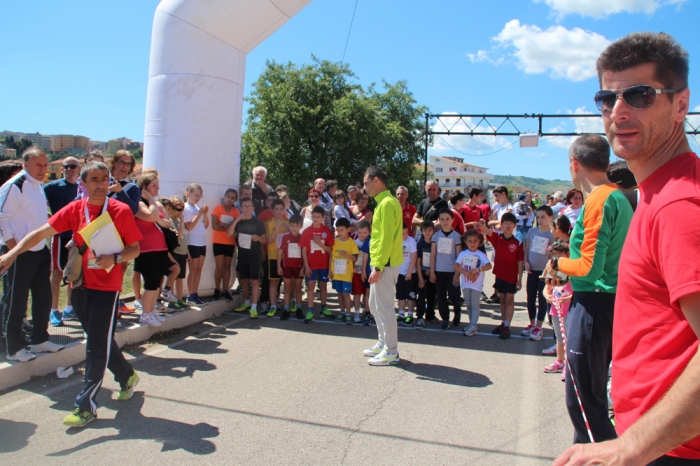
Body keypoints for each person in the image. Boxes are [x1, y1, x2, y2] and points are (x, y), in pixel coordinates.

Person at [555, 32, 700, 465]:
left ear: (679, 104)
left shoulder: (679, 203)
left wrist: (630, 448)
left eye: (639, 95)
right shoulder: (654, 191)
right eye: (606, 98)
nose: (618, 111)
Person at [0, 161, 142, 426]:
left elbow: (134, 248)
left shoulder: (119, 210)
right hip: (78, 285)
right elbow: (40, 232)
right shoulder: (75, 209)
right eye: (94, 180)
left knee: (96, 345)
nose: (100, 185)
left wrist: (116, 257)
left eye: (104, 179)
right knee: (99, 339)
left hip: (107, 289)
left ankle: (86, 405)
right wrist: (11, 253)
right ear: (84, 184)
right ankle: (126, 375)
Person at [542, 134, 632, 446]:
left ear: (574, 163)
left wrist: (558, 264)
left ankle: (605, 455)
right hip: (606, 302)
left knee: (582, 402)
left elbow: (588, 267)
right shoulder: (616, 195)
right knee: (590, 397)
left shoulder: (598, 200)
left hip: (593, 304)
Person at [0, 147, 62, 362]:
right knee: (16, 300)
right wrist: (13, 250)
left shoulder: (38, 186)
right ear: (25, 164)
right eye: (38, 165)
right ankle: (14, 348)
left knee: (43, 297)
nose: (43, 169)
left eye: (45, 165)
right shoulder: (15, 185)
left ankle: (39, 340)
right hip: (19, 252)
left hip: (39, 250)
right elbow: (2, 217)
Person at [361, 166, 403, 366]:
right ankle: (382, 344)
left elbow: (385, 238)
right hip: (382, 263)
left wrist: (377, 267)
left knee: (384, 308)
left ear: (376, 180)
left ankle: (391, 351)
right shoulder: (385, 202)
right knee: (376, 307)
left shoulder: (386, 203)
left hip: (384, 265)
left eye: (366, 182)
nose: (364, 187)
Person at [134, 171, 177, 328]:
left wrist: (156, 215)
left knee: (156, 283)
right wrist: (150, 200)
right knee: (150, 283)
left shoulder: (156, 205)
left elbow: (167, 223)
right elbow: (150, 217)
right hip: (146, 249)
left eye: (158, 185)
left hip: (160, 248)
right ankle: (145, 314)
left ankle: (151, 311)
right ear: (144, 187)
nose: (157, 188)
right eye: (154, 186)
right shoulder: (138, 203)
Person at [44, 156, 81, 327]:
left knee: (73, 272)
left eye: (73, 166)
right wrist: (49, 219)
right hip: (59, 236)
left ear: (79, 169)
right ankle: (53, 310)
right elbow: (37, 203)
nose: (69, 169)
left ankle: (69, 307)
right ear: (62, 169)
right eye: (66, 166)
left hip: (76, 237)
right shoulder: (52, 187)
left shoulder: (81, 188)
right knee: (57, 272)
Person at [107, 150, 142, 314]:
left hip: (121, 237)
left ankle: (115, 303)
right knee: (97, 269)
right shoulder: (101, 182)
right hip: (99, 236)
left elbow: (133, 209)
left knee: (119, 269)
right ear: (114, 162)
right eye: (121, 162)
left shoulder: (133, 188)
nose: (124, 166)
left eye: (128, 164)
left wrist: (120, 192)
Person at [478, 213, 523, 340]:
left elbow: (520, 261)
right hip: (500, 275)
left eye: (510, 223)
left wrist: (519, 279)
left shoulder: (518, 242)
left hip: (512, 276)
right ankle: (504, 322)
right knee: (502, 300)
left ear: (515, 225)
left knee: (510, 301)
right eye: (505, 223)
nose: (508, 226)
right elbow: (487, 231)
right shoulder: (498, 238)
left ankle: (507, 326)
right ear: (501, 225)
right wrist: (482, 225)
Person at [522, 205, 555, 341]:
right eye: (538, 217)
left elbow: (554, 254)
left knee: (542, 299)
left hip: (544, 272)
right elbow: (527, 249)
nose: (540, 220)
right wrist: (525, 261)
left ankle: (539, 326)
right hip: (531, 270)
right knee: (530, 298)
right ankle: (532, 322)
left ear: (550, 217)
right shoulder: (532, 231)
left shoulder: (552, 234)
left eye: (543, 217)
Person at [229, 198, 266, 318]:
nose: (247, 209)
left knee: (254, 281)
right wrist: (237, 220)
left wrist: (258, 238)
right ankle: (247, 303)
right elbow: (228, 234)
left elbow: (265, 240)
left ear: (253, 209)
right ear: (241, 208)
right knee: (243, 281)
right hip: (242, 255)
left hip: (254, 255)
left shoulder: (258, 223)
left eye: (249, 206)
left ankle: (254, 307)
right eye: (244, 206)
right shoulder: (238, 221)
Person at [542, 242, 572, 377]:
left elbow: (577, 291)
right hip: (556, 310)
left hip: (569, 310)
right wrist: (547, 296)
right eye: (554, 257)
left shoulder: (572, 271)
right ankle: (560, 361)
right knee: (560, 338)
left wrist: (567, 299)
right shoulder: (552, 271)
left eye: (560, 256)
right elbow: (547, 288)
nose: (557, 260)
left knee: (569, 339)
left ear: (567, 255)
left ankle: (569, 365)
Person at [300, 206, 335, 323]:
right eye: (314, 216)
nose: (315, 219)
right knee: (310, 285)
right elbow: (304, 250)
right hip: (311, 264)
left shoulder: (327, 232)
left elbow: (330, 250)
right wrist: (306, 266)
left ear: (322, 218)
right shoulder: (306, 231)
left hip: (324, 264)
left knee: (323, 286)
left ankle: (324, 308)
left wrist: (320, 243)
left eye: (318, 217)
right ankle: (310, 311)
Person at [430, 208, 463, 331]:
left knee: (454, 296)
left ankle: (457, 313)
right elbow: (433, 255)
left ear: (452, 220)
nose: (445, 222)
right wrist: (432, 272)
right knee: (441, 296)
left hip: (452, 270)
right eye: (442, 219)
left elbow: (459, 256)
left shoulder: (457, 236)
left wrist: (457, 273)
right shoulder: (436, 236)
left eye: (447, 219)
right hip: (439, 270)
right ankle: (445, 319)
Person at [454, 229, 491, 336]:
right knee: (469, 305)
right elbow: (456, 266)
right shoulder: (463, 253)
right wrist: (466, 273)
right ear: (465, 242)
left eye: (475, 241)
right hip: (466, 284)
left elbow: (489, 266)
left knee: (474, 305)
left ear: (479, 241)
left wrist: (477, 270)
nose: (473, 243)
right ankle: (472, 324)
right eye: (470, 241)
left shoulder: (481, 254)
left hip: (477, 284)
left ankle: (473, 326)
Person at [162, 196, 190, 311]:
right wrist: (183, 222)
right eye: (178, 209)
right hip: (175, 252)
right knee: (173, 277)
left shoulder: (178, 221)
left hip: (183, 252)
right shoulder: (171, 221)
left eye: (182, 209)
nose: (180, 212)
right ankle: (170, 300)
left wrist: (188, 253)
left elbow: (184, 238)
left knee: (180, 278)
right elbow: (179, 235)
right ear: (172, 210)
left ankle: (179, 299)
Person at [211, 189, 239, 301]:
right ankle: (217, 289)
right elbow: (214, 226)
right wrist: (229, 226)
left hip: (230, 242)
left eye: (232, 198)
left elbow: (235, 228)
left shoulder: (235, 211)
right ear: (225, 196)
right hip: (218, 241)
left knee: (227, 267)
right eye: (228, 196)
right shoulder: (217, 209)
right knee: (219, 266)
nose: (229, 199)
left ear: (235, 200)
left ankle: (225, 289)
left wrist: (222, 223)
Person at [183, 183, 209, 306]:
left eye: (200, 195)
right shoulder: (186, 208)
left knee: (199, 269)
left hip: (202, 242)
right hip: (192, 242)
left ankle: (195, 293)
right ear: (189, 193)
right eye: (196, 195)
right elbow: (189, 227)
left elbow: (206, 225)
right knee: (193, 269)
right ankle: (190, 294)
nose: (198, 198)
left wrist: (205, 213)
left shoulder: (198, 208)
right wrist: (199, 214)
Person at [330, 217, 359, 323]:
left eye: (342, 230)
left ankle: (348, 313)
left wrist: (345, 254)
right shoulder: (335, 241)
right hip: (336, 273)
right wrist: (330, 271)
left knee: (346, 294)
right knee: (339, 293)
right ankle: (342, 312)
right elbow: (331, 256)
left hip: (347, 274)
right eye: (338, 230)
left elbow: (354, 258)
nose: (339, 232)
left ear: (348, 230)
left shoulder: (352, 243)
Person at [277, 214, 304, 320]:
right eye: (292, 225)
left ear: (301, 226)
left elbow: (304, 253)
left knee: (298, 289)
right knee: (287, 289)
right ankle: (286, 309)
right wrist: (279, 266)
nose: (294, 228)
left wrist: (303, 268)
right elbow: (280, 252)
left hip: (298, 267)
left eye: (297, 226)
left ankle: (299, 309)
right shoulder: (285, 237)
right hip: (287, 266)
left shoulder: (302, 237)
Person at [265, 199, 289, 317]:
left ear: (284, 210)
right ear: (272, 210)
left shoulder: (288, 222)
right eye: (276, 209)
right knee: (273, 282)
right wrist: (278, 229)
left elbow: (295, 236)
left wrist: (286, 227)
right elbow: (268, 240)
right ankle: (273, 305)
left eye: (281, 209)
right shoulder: (269, 223)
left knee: (288, 282)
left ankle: (288, 306)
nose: (279, 211)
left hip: (287, 257)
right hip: (273, 256)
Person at [414, 221, 437, 329]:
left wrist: (432, 271)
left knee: (432, 296)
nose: (428, 233)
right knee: (421, 296)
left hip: (432, 273)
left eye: (430, 230)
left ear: (433, 231)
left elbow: (437, 259)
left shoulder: (435, 243)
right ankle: (419, 316)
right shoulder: (420, 244)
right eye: (425, 230)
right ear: (421, 232)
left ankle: (430, 314)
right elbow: (417, 262)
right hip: (422, 273)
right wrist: (420, 278)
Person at [396, 223, 417, 326]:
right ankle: (401, 314)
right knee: (401, 295)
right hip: (399, 272)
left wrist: (409, 272)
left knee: (410, 295)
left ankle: (410, 315)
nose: (404, 235)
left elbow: (414, 257)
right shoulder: (395, 241)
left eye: (405, 233)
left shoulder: (411, 241)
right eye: (401, 233)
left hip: (410, 273)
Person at [352, 220, 372, 324]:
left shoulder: (371, 242)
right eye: (360, 232)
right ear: (356, 231)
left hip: (367, 272)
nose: (362, 235)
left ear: (369, 232)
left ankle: (366, 310)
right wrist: (352, 268)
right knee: (357, 293)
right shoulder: (354, 243)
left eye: (365, 232)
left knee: (366, 293)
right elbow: (351, 258)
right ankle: (356, 312)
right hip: (356, 272)